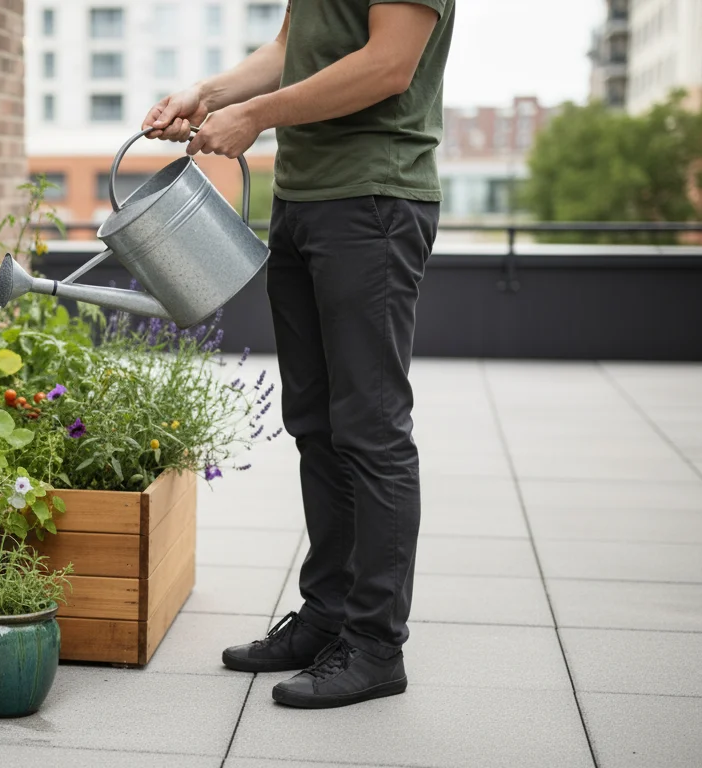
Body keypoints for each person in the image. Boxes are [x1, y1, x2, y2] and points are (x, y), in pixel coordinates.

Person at [143, 0, 454, 709]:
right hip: (304, 201)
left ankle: (375, 646)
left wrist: (258, 117)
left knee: (371, 429)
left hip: (372, 200)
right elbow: (292, 47)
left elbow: (388, 63)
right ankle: (327, 618)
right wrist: (212, 94)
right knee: (316, 424)